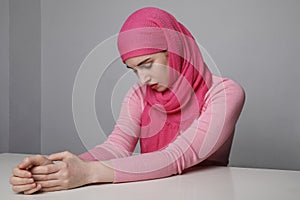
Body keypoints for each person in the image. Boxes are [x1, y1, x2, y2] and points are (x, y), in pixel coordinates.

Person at [9, 7, 245, 194]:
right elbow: (117, 147)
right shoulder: (139, 95)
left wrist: (89, 173)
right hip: (149, 191)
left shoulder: (224, 93)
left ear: (174, 51)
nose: (143, 79)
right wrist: (59, 169)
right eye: (134, 70)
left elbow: (177, 156)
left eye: (147, 64)